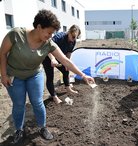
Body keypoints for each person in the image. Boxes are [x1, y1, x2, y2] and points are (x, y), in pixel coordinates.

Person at [0, 9, 95, 144]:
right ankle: (19, 130)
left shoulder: (48, 43)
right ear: (39, 27)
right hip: (14, 75)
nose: (51, 36)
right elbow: (2, 53)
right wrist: (3, 75)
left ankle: (42, 127)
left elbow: (66, 60)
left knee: (37, 102)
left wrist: (83, 75)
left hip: (34, 74)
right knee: (19, 104)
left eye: (53, 33)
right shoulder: (16, 34)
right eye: (49, 32)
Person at [42, 25, 81, 104]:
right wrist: (52, 59)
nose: (74, 39)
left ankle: (68, 89)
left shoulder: (73, 41)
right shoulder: (59, 38)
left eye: (76, 37)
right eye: (73, 36)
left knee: (66, 71)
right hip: (48, 56)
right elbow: (48, 47)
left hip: (59, 57)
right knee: (50, 77)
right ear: (69, 32)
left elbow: (69, 52)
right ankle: (54, 96)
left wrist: (67, 63)